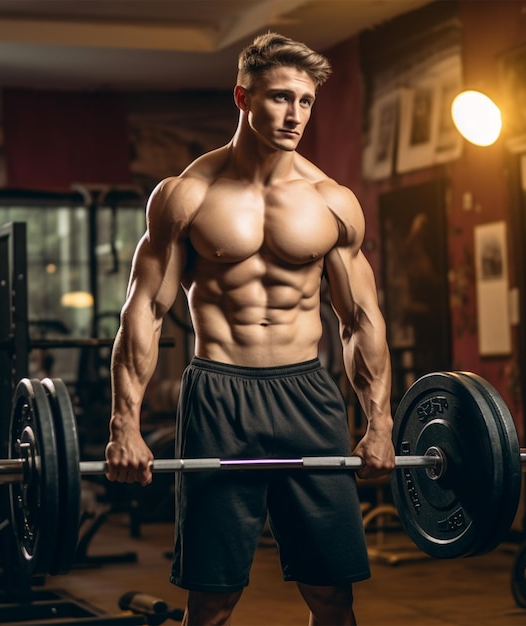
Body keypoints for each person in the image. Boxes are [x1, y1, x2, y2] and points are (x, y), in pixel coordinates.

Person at [105, 32, 395, 626]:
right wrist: (123, 425)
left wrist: (380, 424)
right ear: (242, 97)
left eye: (307, 101)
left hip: (308, 396)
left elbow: (361, 320)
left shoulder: (332, 202)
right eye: (280, 98)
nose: (295, 115)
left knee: (332, 593)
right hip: (219, 394)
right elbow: (145, 311)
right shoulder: (187, 196)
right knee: (212, 598)